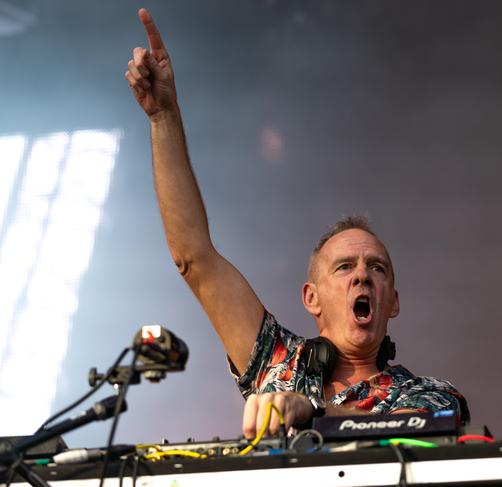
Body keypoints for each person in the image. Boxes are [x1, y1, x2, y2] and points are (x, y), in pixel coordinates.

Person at [125, 8, 469, 440]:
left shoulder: (432, 397)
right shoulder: (277, 361)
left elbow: (427, 434)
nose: (361, 274)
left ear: (393, 302)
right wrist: (163, 117)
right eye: (344, 267)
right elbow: (193, 257)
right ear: (311, 297)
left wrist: (312, 410)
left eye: (376, 268)